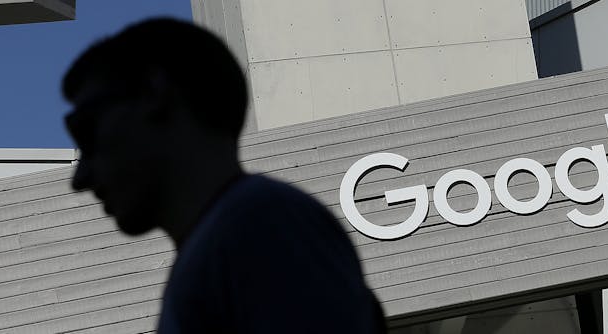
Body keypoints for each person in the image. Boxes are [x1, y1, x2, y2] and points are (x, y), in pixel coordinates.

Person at [62, 18, 386, 333]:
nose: (80, 180)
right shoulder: (243, 234)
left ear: (153, 93)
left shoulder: (261, 223)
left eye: (86, 132)